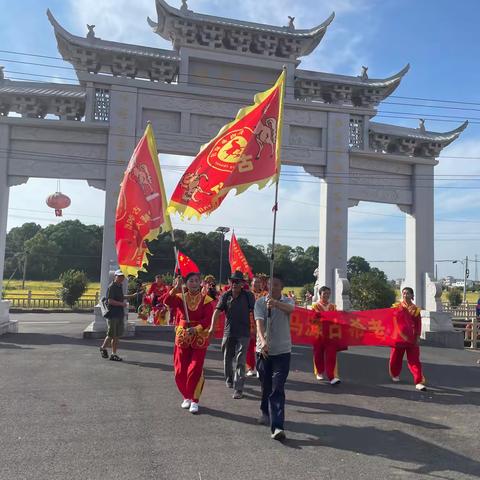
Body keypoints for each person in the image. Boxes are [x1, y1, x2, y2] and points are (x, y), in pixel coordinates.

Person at [162, 273, 214, 414]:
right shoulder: (180, 297)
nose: (194, 283)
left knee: (195, 368)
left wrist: (196, 329)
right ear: (186, 283)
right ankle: (186, 396)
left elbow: (208, 319)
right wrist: (175, 288)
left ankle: (195, 399)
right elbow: (167, 302)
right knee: (180, 369)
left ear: (200, 283)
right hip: (183, 336)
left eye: (197, 281)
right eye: (191, 281)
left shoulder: (206, 300)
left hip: (199, 337)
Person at [254, 274, 295, 441]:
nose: (273, 287)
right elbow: (259, 323)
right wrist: (263, 341)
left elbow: (290, 310)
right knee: (266, 385)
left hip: (283, 351)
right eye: (270, 285)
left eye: (276, 285)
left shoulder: (288, 301)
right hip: (263, 351)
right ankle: (265, 410)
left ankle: (277, 426)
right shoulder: (260, 303)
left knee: (278, 387)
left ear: (282, 287)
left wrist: (276, 304)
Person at [209, 271, 256, 399]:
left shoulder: (248, 296)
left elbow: (255, 313)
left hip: (244, 333)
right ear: (229, 282)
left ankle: (239, 388)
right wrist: (212, 327)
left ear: (242, 284)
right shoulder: (225, 296)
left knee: (241, 361)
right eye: (232, 281)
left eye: (237, 281)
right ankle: (229, 378)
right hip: (229, 332)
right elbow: (217, 312)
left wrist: (256, 329)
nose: (234, 284)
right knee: (227, 359)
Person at [389, 287, 426, 391]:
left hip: (412, 338)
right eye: (404, 293)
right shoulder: (396, 307)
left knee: (414, 360)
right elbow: (391, 320)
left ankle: (419, 381)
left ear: (412, 295)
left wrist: (418, 336)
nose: (405, 295)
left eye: (408, 293)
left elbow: (418, 324)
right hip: (399, 337)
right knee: (395, 357)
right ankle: (395, 374)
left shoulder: (416, 310)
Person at [311, 286, 342, 385]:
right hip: (318, 334)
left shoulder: (333, 306)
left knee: (331, 355)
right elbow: (312, 320)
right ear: (320, 294)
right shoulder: (315, 306)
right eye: (324, 293)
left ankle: (331, 376)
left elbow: (337, 319)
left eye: (328, 293)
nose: (326, 295)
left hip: (330, 334)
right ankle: (319, 372)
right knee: (318, 354)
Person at [100, 269, 127, 362]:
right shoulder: (112, 287)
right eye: (119, 276)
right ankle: (103, 347)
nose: (121, 278)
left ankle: (114, 354)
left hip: (119, 314)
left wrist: (134, 295)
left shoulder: (119, 286)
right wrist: (121, 304)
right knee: (111, 334)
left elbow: (121, 297)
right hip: (113, 314)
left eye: (122, 276)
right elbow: (110, 301)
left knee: (117, 336)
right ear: (115, 276)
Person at [246, 276, 267, 377]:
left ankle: (260, 368)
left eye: (258, 282)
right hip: (248, 324)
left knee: (260, 346)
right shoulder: (247, 294)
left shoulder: (265, 295)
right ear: (251, 284)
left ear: (261, 284)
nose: (256, 284)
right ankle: (250, 368)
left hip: (262, 324)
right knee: (249, 347)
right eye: (254, 283)